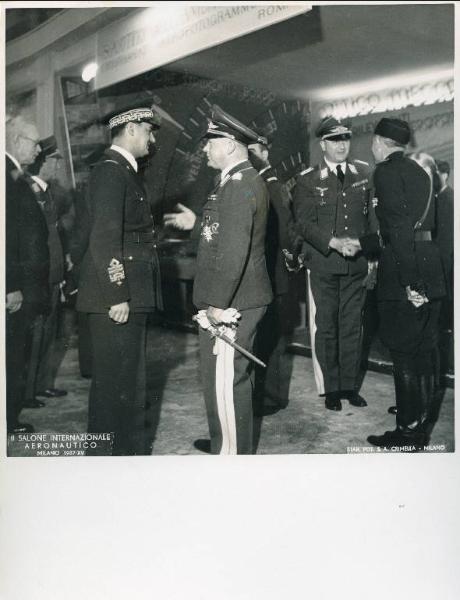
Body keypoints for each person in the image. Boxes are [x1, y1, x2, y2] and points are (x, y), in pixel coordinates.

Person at [355, 118, 446, 450]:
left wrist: (411, 284)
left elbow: (398, 229)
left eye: (373, 143)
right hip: (430, 264)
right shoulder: (420, 171)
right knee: (424, 351)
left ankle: (408, 433)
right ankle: (419, 419)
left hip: (405, 271)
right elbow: (413, 225)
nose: (373, 149)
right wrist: (363, 243)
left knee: (404, 354)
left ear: (381, 142)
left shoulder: (386, 173)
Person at [76, 106, 162, 456]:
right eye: (148, 131)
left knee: (125, 384)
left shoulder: (123, 170)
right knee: (117, 387)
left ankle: (121, 459)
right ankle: (110, 464)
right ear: (130, 130)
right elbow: (104, 239)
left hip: (127, 293)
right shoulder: (113, 172)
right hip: (117, 297)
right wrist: (117, 294)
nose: (151, 139)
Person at [191, 105, 273, 454]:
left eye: (209, 142)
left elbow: (234, 254)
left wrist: (216, 306)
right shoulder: (236, 182)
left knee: (226, 382)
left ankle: (231, 458)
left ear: (228, 145)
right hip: (239, 295)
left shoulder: (239, 186)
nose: (204, 149)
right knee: (227, 379)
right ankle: (226, 444)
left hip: (233, 301)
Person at [292, 116, 378, 412]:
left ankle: (349, 386)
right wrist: (333, 242)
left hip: (356, 266)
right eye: (335, 140)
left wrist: (366, 250)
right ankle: (330, 389)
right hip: (325, 264)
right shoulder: (307, 179)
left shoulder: (364, 174)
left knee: (352, 326)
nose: (342, 145)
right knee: (327, 327)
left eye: (345, 139)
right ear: (323, 144)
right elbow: (302, 223)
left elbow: (371, 221)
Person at [5, 115, 50, 434]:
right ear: (17, 141)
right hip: (14, 289)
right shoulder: (7, 177)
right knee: (10, 356)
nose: (38, 150)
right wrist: (12, 286)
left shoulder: (14, 175)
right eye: (34, 143)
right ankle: (7, 420)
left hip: (21, 286)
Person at [248, 140, 298, 416]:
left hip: (272, 273)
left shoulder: (271, 184)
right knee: (267, 336)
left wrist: (288, 260)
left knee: (270, 338)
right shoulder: (260, 182)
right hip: (268, 273)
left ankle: (271, 396)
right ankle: (268, 394)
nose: (251, 156)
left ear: (266, 153)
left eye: (255, 151)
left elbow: (286, 232)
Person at [24, 136, 68, 406]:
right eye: (55, 161)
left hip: (53, 275)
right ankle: (27, 393)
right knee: (36, 335)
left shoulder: (47, 193)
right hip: (40, 277)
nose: (58, 166)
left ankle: (41, 385)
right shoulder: (30, 191)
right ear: (44, 162)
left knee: (50, 333)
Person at [434, 159, 454, 332]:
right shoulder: (439, 197)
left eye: (436, 174)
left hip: (446, 258)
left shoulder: (449, 199)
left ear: (445, 175)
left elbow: (447, 236)